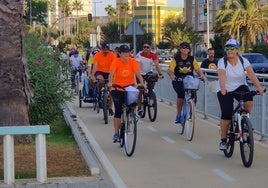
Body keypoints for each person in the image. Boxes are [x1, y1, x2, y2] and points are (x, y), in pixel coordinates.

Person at [216, 39, 265, 150]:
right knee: (226, 116)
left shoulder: (243, 61)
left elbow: (251, 75)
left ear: (237, 50)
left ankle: (244, 121)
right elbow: (222, 76)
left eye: (232, 48)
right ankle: (223, 140)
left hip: (240, 86)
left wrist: (259, 88)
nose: (229, 51)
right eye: (227, 48)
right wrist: (223, 89)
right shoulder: (222, 62)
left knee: (248, 98)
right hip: (225, 88)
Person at [108, 44, 146, 143]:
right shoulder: (116, 61)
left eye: (128, 52)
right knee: (118, 111)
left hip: (129, 87)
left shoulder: (132, 61)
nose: (126, 54)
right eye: (124, 53)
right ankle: (116, 133)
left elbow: (138, 73)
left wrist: (142, 83)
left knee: (133, 101)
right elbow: (111, 73)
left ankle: (132, 115)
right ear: (119, 54)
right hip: (117, 87)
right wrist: (110, 82)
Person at [167, 42, 207, 124]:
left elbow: (197, 69)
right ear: (180, 49)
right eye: (183, 48)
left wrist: (202, 75)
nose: (185, 49)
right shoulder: (176, 59)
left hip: (189, 80)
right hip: (178, 80)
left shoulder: (192, 59)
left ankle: (191, 111)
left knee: (194, 95)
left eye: (187, 48)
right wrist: (172, 76)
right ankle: (178, 114)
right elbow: (170, 70)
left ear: (189, 50)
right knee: (181, 95)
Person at [135, 41, 164, 115]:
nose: (145, 48)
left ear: (150, 48)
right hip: (140, 73)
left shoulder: (153, 55)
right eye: (144, 47)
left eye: (147, 47)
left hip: (148, 72)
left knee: (152, 81)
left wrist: (160, 74)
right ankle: (139, 107)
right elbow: (137, 66)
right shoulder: (139, 54)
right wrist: (138, 75)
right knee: (140, 90)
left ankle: (151, 95)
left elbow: (157, 65)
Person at [91, 43, 116, 115]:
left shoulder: (112, 55)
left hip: (109, 72)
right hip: (100, 71)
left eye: (107, 50)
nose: (105, 51)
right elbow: (95, 66)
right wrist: (92, 76)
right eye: (104, 49)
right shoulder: (97, 55)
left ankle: (110, 107)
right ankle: (99, 92)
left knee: (111, 90)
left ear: (109, 50)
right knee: (101, 81)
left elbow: (115, 66)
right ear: (101, 49)